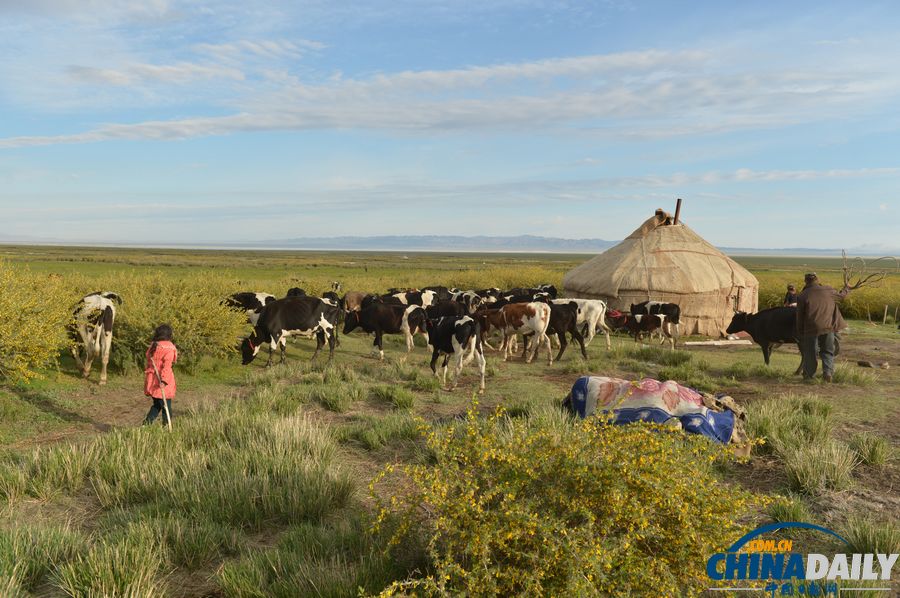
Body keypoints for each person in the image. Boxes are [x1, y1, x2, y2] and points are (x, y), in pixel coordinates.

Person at [795, 273, 849, 382]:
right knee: (828, 350)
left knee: (810, 352)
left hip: (811, 328)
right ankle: (828, 373)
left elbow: (799, 316)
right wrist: (847, 288)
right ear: (818, 280)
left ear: (806, 281)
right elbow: (842, 296)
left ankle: (809, 376)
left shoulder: (802, 295)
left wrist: (799, 331)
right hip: (828, 327)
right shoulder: (828, 290)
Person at [143, 324, 178, 426]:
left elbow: (149, 362)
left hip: (152, 380)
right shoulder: (169, 348)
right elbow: (166, 367)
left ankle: (146, 425)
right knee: (166, 407)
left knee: (157, 405)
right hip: (162, 382)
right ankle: (167, 427)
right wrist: (164, 381)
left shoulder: (153, 346)